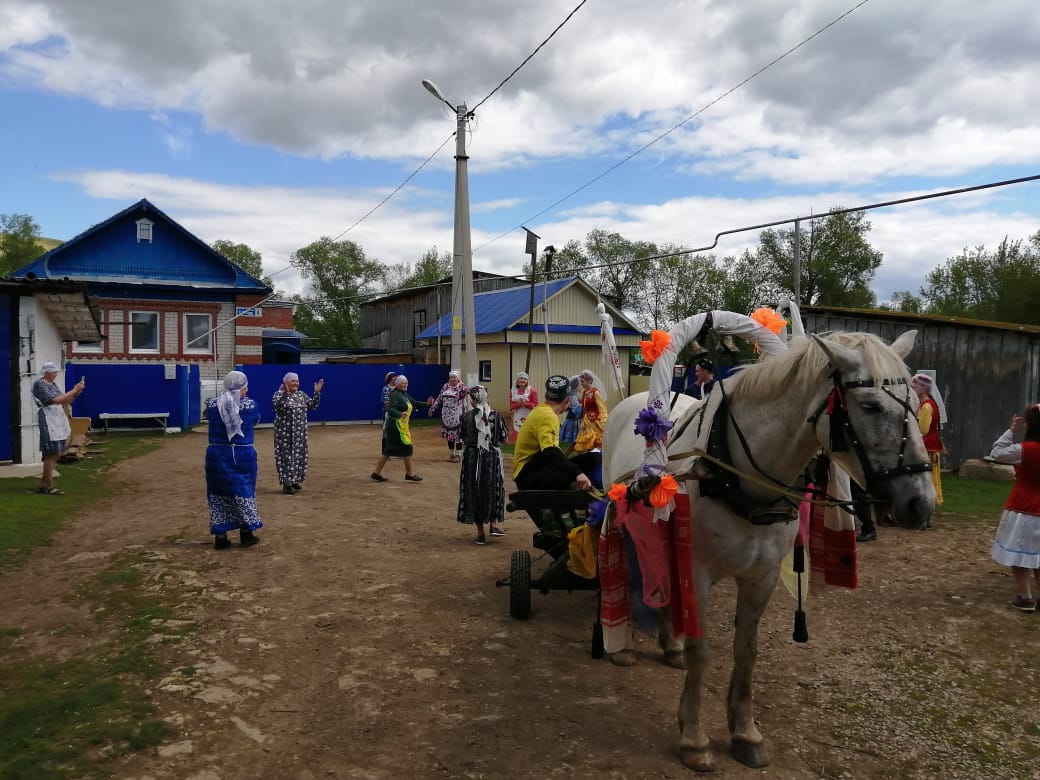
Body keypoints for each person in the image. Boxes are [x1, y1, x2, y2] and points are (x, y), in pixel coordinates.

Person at [989, 405, 1040, 612]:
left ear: (1029, 425)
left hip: (1023, 508)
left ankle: (1026, 597)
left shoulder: (1024, 450)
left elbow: (997, 453)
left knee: (1019, 553)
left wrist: (1011, 430)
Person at [205, 370, 263, 549]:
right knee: (244, 491)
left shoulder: (212, 404)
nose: (247, 390)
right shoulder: (250, 405)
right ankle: (246, 534)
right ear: (240, 388)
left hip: (216, 455)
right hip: (242, 455)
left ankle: (220, 537)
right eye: (245, 387)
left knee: (218, 493)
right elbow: (256, 421)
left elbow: (208, 416)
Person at [513, 375, 598, 491]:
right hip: (528, 476)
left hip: (535, 467)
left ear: (547, 396)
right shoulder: (548, 416)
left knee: (594, 458)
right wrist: (577, 473)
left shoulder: (541, 410)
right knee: (585, 467)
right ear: (567, 400)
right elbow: (550, 451)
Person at [457, 385, 508, 545]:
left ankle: (481, 533)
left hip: (472, 457)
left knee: (475, 490)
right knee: (492, 488)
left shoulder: (465, 417)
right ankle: (493, 524)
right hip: (491, 457)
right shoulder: (496, 416)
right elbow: (504, 439)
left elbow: (461, 436)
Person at [31, 361, 85, 495]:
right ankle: (48, 485)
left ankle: (44, 484)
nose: (56, 375)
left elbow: (65, 400)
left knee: (56, 452)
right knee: (50, 453)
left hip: (57, 419)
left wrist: (76, 393)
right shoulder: (40, 384)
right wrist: (73, 390)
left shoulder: (53, 384)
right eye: (53, 372)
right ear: (46, 373)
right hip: (48, 419)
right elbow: (55, 400)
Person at [371, 374, 432, 482]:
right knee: (407, 447)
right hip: (395, 427)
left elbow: (414, 403)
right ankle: (409, 473)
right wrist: (400, 414)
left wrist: (427, 404)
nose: (405, 385)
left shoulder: (403, 394)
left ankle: (377, 473)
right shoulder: (395, 395)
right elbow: (390, 410)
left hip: (399, 427)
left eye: (406, 383)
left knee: (389, 450)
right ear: (398, 384)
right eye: (403, 383)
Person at [272, 372, 324, 495]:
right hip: (285, 435)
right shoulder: (278, 395)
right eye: (293, 381)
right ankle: (287, 484)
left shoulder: (301, 395)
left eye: (297, 381)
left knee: (299, 457)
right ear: (286, 382)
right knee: (286, 458)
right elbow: (279, 407)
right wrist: (286, 394)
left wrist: (317, 393)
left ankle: (294, 480)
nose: (296, 383)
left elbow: (312, 406)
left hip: (300, 434)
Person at [911, 372, 947, 506]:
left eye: (915, 387)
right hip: (928, 445)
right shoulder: (926, 404)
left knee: (926, 477)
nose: (913, 389)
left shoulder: (926, 406)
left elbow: (923, 430)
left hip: (927, 446)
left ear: (924, 388)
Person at [429, 369, 468, 462]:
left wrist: (459, 391)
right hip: (446, 414)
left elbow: (462, 396)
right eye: (451, 377)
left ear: (458, 378)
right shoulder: (445, 386)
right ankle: (451, 455)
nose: (452, 379)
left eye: (454, 377)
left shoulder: (462, 387)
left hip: (457, 414)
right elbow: (439, 398)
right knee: (449, 435)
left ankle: (458, 455)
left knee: (458, 436)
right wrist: (433, 407)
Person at [573, 369, 608, 453]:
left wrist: (603, 420)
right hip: (586, 421)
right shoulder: (585, 393)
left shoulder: (595, 393)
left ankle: (595, 457)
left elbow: (602, 408)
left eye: (583, 381)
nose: (581, 384)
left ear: (589, 381)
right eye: (581, 382)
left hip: (594, 421)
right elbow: (583, 406)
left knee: (594, 440)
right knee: (585, 441)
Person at [508, 372, 538, 444]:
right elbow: (511, 407)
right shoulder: (513, 391)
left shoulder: (532, 391)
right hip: (518, 416)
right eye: (521, 378)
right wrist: (518, 404)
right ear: (517, 380)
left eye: (525, 379)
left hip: (529, 415)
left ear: (527, 381)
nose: (523, 380)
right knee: (518, 431)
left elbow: (536, 406)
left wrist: (526, 404)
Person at [559, 375, 583, 454]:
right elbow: (576, 410)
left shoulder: (575, 395)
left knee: (578, 442)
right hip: (574, 421)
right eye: (580, 385)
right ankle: (567, 455)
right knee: (578, 441)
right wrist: (583, 407)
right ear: (576, 386)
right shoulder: (573, 396)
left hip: (574, 420)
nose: (581, 386)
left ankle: (566, 455)